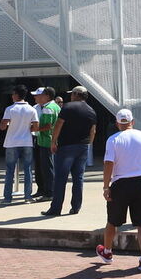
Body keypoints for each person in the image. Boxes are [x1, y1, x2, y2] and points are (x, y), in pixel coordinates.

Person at [96, 109, 141, 272]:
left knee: (112, 221)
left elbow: (108, 163)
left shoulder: (113, 139)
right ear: (133, 121)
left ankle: (108, 251)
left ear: (118, 123)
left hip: (120, 183)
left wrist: (105, 186)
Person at [42, 86, 96, 217]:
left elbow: (58, 125)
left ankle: (56, 209)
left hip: (66, 147)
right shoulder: (91, 111)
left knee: (60, 178)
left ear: (77, 94)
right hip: (82, 147)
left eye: (72, 94)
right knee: (78, 177)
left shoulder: (68, 107)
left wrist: (53, 141)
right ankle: (76, 207)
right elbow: (93, 130)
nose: (71, 96)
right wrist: (89, 143)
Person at [0, 85, 38, 204]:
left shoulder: (10, 109)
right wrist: (27, 128)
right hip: (26, 141)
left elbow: (2, 126)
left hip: (11, 142)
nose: (12, 96)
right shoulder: (32, 109)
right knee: (27, 170)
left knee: (10, 170)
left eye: (13, 94)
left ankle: (7, 198)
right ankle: (28, 196)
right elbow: (36, 126)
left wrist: (8, 125)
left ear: (16, 95)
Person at [31, 87, 59, 199]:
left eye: (39, 95)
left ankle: (49, 192)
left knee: (47, 168)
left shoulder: (48, 108)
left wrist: (34, 129)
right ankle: (44, 190)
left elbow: (48, 126)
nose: (36, 97)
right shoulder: (55, 106)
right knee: (45, 166)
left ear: (46, 96)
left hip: (46, 140)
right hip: (47, 140)